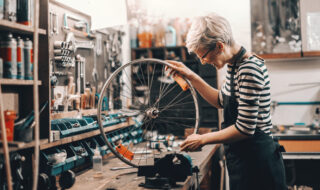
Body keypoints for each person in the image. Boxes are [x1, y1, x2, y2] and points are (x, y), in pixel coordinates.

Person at [166, 13, 286, 190]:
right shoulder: (234, 65)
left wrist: (202, 139)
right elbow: (220, 100)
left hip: (259, 166)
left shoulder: (248, 69)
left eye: (203, 56)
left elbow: (245, 129)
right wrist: (190, 76)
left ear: (219, 46)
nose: (203, 61)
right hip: (246, 160)